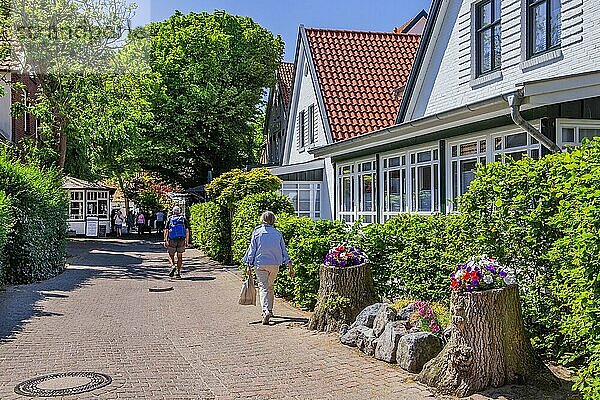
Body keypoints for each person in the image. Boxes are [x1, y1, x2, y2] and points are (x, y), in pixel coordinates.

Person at [243, 211, 294, 325]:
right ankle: (270, 309)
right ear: (273, 220)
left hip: (260, 264)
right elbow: (283, 251)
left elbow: (252, 250)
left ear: (262, 220)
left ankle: (266, 310)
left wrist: (248, 265)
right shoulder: (278, 233)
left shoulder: (257, 233)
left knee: (264, 287)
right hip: (274, 264)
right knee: (270, 286)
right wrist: (289, 265)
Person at [164, 206, 189, 278]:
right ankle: (178, 273)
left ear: (173, 212)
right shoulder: (183, 219)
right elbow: (187, 231)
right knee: (180, 256)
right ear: (179, 212)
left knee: (170, 255)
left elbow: (166, 230)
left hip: (172, 239)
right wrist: (187, 241)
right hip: (181, 239)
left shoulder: (170, 219)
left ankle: (172, 266)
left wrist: (165, 240)